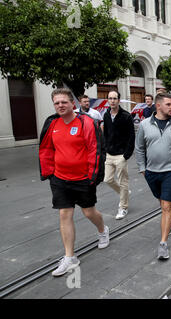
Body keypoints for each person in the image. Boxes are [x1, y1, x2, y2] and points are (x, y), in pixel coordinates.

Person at [39, 88, 110, 276]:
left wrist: (92, 177)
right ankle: (70, 257)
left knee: (88, 212)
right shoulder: (52, 123)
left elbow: (95, 150)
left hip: (83, 179)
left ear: (73, 104)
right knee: (64, 214)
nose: (60, 106)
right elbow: (47, 148)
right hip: (60, 179)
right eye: (57, 103)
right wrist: (50, 172)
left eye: (64, 102)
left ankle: (103, 230)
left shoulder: (86, 122)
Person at [135, 92, 171, 260]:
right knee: (162, 203)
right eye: (168, 104)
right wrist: (142, 168)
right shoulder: (145, 124)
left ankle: (163, 244)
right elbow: (139, 148)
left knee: (166, 206)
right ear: (158, 106)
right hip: (151, 172)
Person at [103, 90, 135, 220]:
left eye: (114, 98)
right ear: (108, 100)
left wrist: (126, 155)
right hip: (109, 154)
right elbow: (105, 134)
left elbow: (131, 136)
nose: (112, 101)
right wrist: (105, 148)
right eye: (110, 98)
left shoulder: (126, 116)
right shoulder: (106, 115)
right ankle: (125, 193)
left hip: (121, 155)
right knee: (108, 180)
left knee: (123, 181)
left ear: (119, 100)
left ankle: (123, 207)